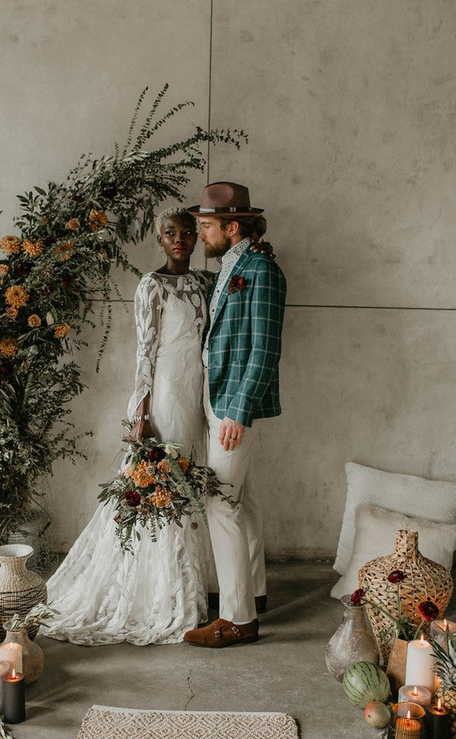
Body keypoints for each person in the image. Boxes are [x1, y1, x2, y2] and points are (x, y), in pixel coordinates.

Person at [42, 206, 272, 646]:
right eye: (172, 233)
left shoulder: (208, 280)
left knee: (202, 485)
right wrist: (141, 408)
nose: (182, 239)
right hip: (167, 394)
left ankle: (205, 585)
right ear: (160, 239)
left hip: (206, 394)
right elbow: (144, 351)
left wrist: (258, 247)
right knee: (168, 483)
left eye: (189, 232)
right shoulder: (152, 285)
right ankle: (163, 592)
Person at [184, 182, 287, 649]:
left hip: (233, 405)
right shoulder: (231, 265)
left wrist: (238, 413)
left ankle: (238, 618)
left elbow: (265, 351)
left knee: (219, 503)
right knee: (241, 500)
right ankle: (255, 591)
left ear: (232, 226)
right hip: (215, 396)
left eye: (206, 226)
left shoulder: (262, 270)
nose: (199, 234)